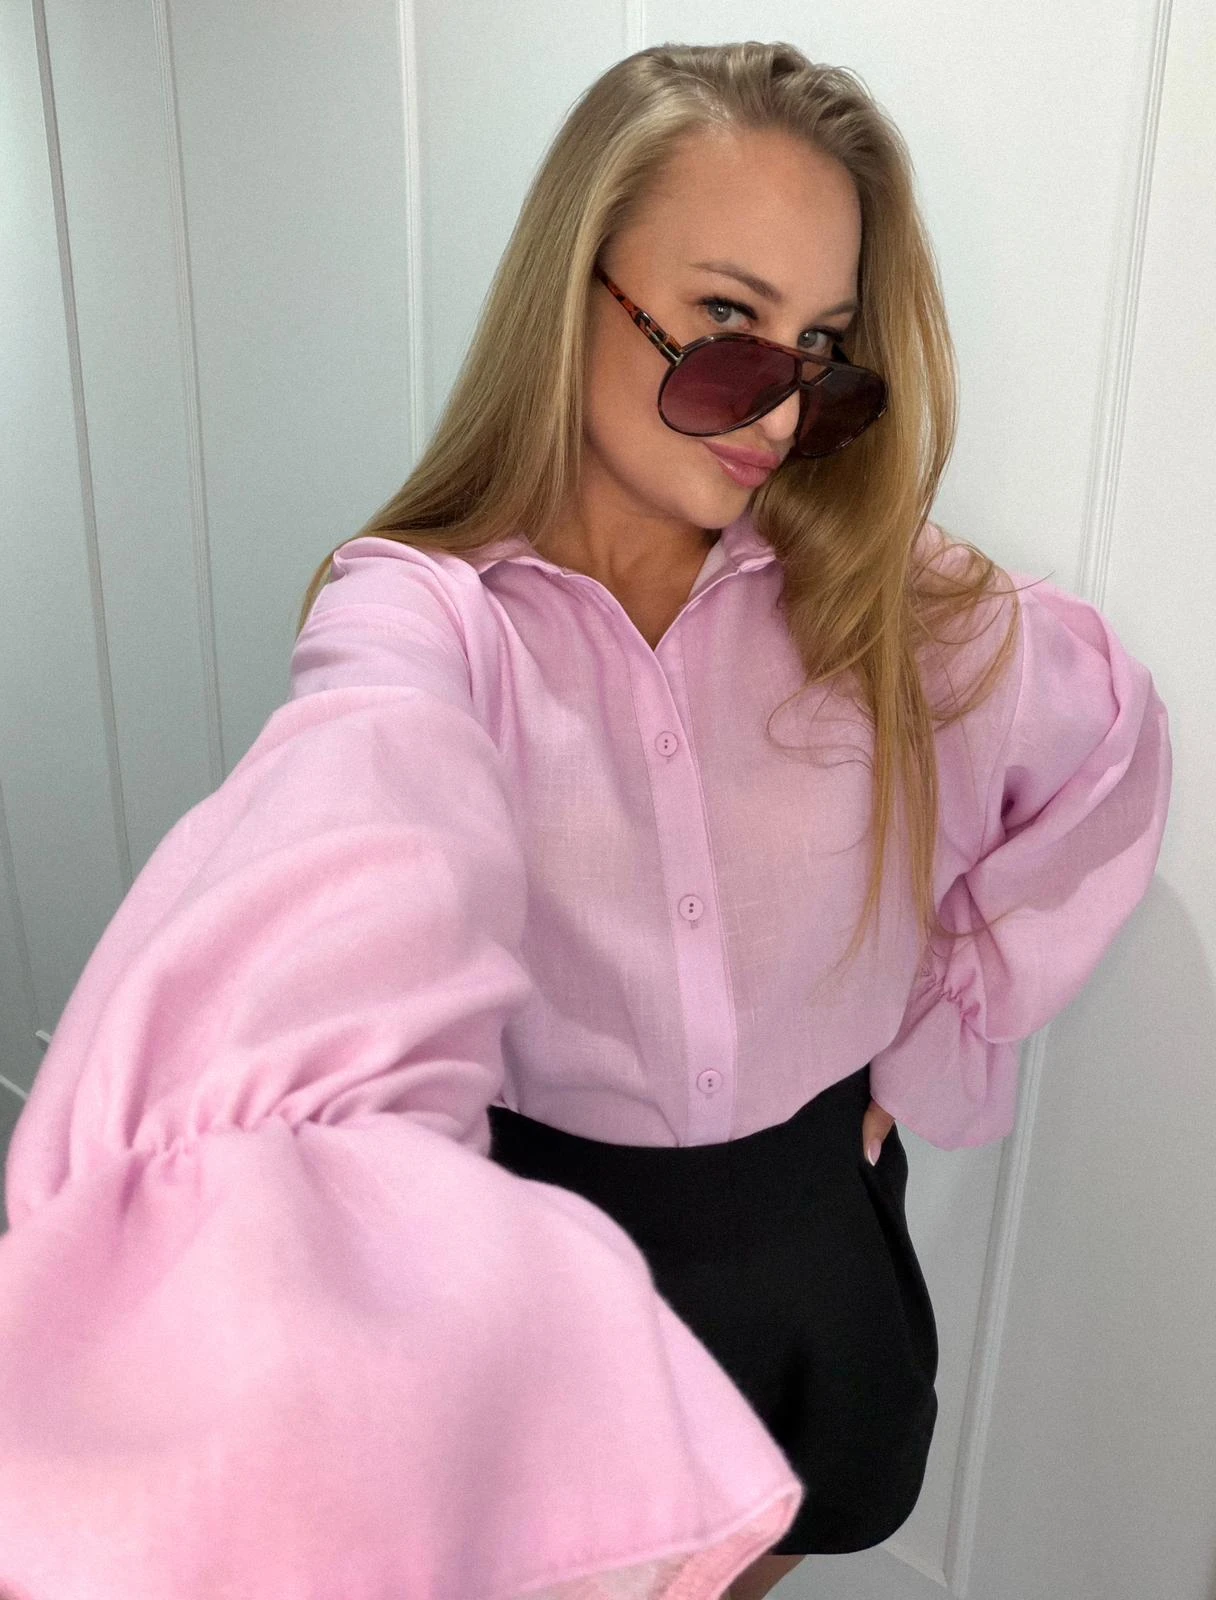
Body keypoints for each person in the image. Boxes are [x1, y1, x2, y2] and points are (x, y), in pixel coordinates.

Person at [0, 39, 1170, 1600]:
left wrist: (928, 1035)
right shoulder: (425, 618)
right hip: (559, 1249)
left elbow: (1106, 746)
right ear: (580, 287)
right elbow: (349, 811)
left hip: (811, 1235)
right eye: (727, 325)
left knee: (765, 1549)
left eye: (823, 349)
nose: (778, 410)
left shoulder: (886, 599)